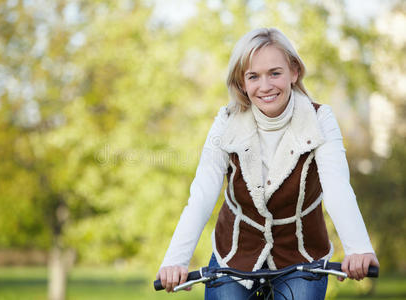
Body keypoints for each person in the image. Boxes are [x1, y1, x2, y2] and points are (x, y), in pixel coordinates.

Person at [156, 27, 379, 299]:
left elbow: (336, 186)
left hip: (301, 254)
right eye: (253, 76)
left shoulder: (319, 119)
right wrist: (175, 260)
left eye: (275, 73)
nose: (265, 86)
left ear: (294, 72)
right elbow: (203, 192)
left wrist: (358, 249)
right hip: (236, 254)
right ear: (242, 82)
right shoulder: (225, 122)